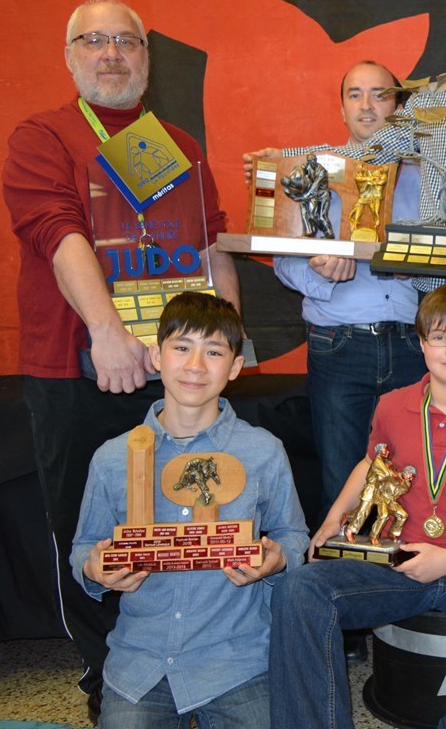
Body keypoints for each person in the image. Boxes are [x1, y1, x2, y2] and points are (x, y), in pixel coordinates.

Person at [3, 0, 239, 719]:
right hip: (76, 367)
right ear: (70, 55)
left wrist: (224, 342)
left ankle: (181, 658)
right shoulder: (42, 135)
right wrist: (106, 332)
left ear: (146, 57)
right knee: (90, 527)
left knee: (176, 519)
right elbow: (59, 233)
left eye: (127, 41)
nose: (111, 54)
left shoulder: (176, 144)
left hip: (172, 375)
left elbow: (211, 244)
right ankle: (108, 674)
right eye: (94, 40)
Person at [271, 283, 446, 729]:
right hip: (397, 567)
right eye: (440, 337)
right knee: (298, 589)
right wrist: (332, 519)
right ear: (421, 342)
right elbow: (372, 462)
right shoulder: (392, 405)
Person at [248, 0, 446, 395]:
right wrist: (285, 159)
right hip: (434, 286)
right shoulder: (428, 104)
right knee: (437, 408)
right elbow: (366, 152)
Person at [70, 293, 307, 728]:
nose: (195, 365)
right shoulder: (113, 457)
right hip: (142, 660)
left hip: (237, 657)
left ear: (235, 367)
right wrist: (94, 567)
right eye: (181, 347)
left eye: (214, 352)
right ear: (156, 357)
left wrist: (278, 559)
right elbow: (85, 545)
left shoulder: (262, 451)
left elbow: (292, 534)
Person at [272, 61, 427, 518]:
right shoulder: (311, 172)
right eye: (355, 94)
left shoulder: (426, 178)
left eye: (380, 94)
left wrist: (417, 270)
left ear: (398, 106)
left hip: (412, 346)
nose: (367, 105)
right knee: (341, 488)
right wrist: (319, 274)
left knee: (411, 486)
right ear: (341, 109)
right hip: (338, 345)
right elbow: (283, 258)